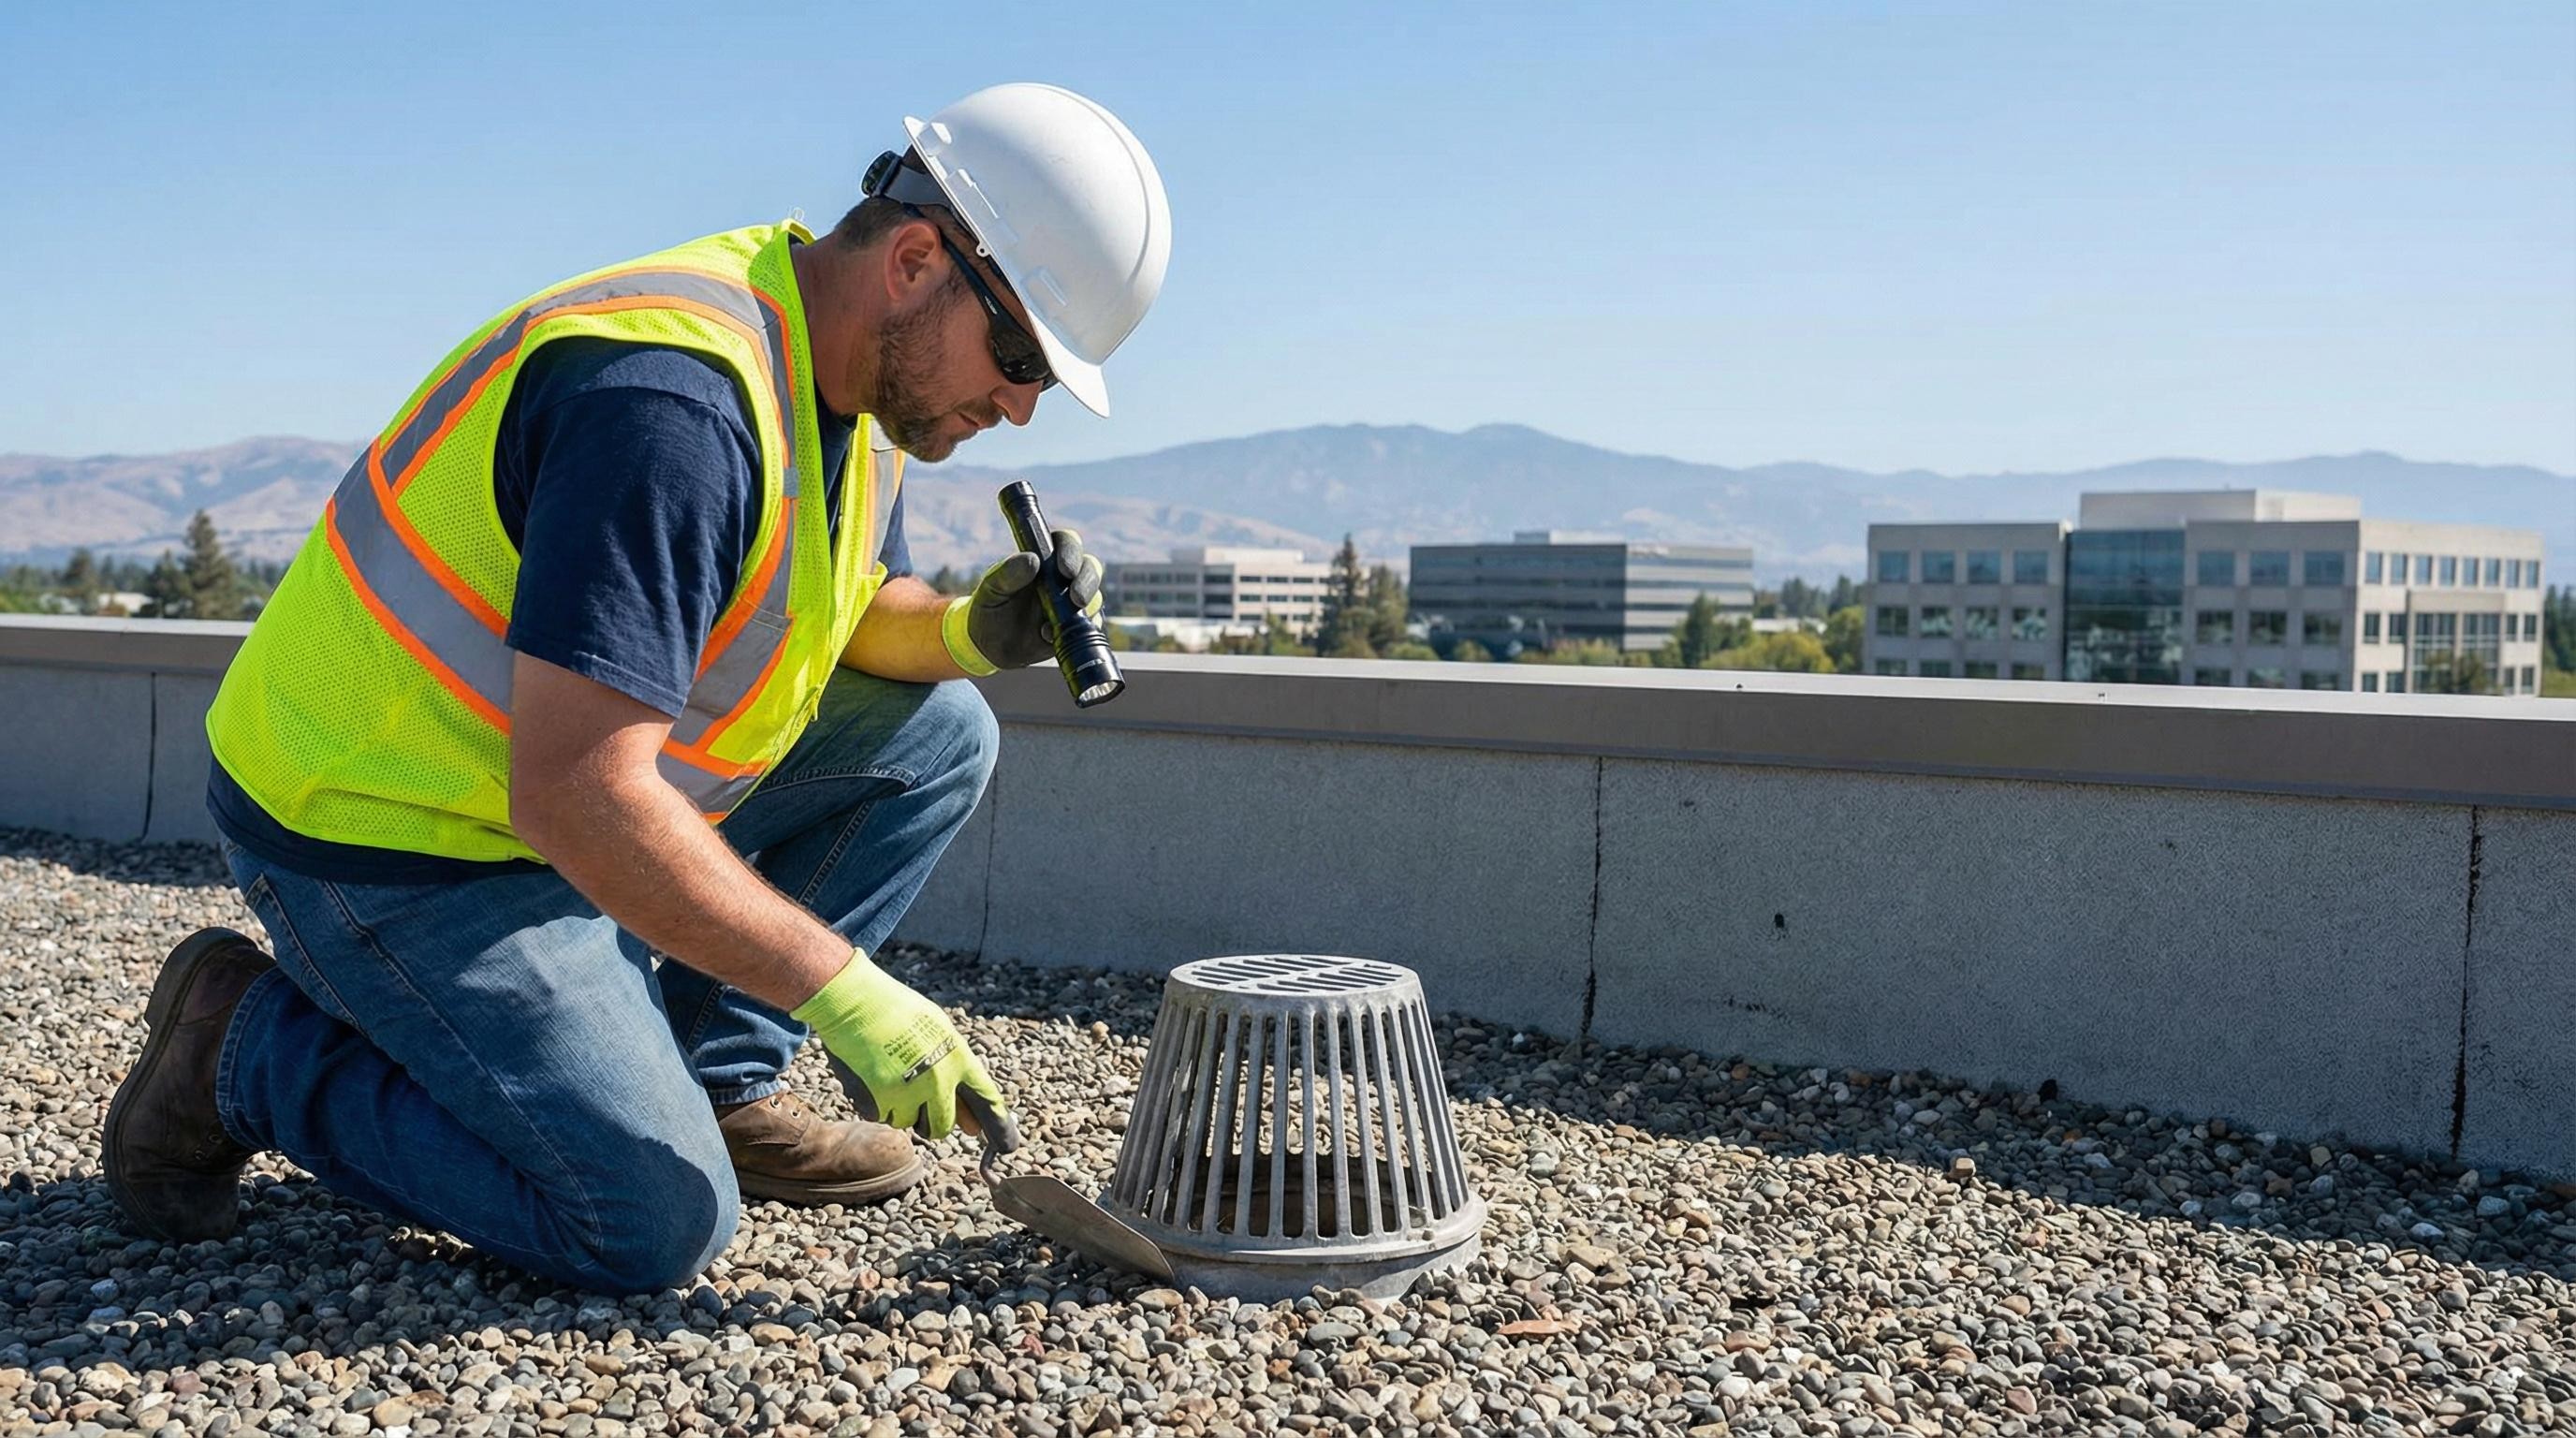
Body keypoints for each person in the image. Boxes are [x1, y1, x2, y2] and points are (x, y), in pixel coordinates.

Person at [99, 82, 1172, 1295]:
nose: (1023, 406)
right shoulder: (674, 403)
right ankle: (237, 1050)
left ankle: (711, 1085)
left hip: (535, 794)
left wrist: (978, 629)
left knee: (940, 740)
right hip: (385, 832)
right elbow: (575, 791)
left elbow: (853, 614)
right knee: (651, 1222)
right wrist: (844, 991)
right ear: (918, 259)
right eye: (1022, 354)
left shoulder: (850, 387)